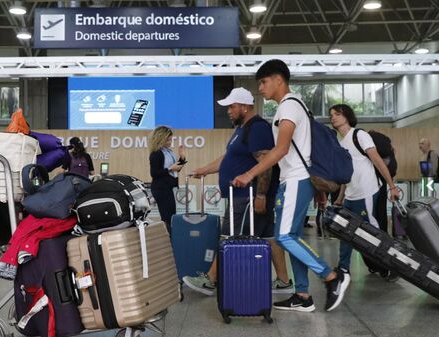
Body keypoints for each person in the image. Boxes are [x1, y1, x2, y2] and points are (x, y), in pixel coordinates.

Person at [232, 59, 349, 313]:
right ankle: (303, 294)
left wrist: (250, 173)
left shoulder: (289, 106)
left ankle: (331, 276)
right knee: (290, 236)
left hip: (296, 179)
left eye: (263, 82)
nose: (260, 88)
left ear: (278, 80)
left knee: (284, 236)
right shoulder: (291, 107)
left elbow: (281, 149)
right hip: (293, 180)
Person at [182, 87, 292, 296]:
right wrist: (204, 169)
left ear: (244, 107)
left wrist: (260, 196)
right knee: (269, 237)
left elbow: (266, 163)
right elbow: (228, 158)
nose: (229, 111)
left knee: (229, 237)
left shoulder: (257, 128)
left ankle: (210, 280)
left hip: (246, 196)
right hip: (246, 196)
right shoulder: (242, 129)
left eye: (232, 107)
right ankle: (284, 281)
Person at [329, 104, 400, 281]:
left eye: (337, 114)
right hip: (351, 195)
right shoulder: (340, 143)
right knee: (344, 231)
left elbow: (377, 161)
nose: (333, 117)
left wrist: (391, 186)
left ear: (347, 116)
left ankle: (390, 266)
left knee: (373, 232)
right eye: (331, 115)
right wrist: (340, 198)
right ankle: (343, 268)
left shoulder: (359, 135)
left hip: (367, 192)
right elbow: (347, 174)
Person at [148, 126, 186, 231]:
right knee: (167, 218)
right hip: (161, 189)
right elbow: (154, 173)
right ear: (161, 139)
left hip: (168, 188)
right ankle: (167, 241)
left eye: (171, 139)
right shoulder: (156, 154)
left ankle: (170, 239)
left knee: (171, 217)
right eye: (168, 140)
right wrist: (170, 169)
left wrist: (182, 158)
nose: (170, 142)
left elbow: (176, 169)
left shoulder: (168, 152)